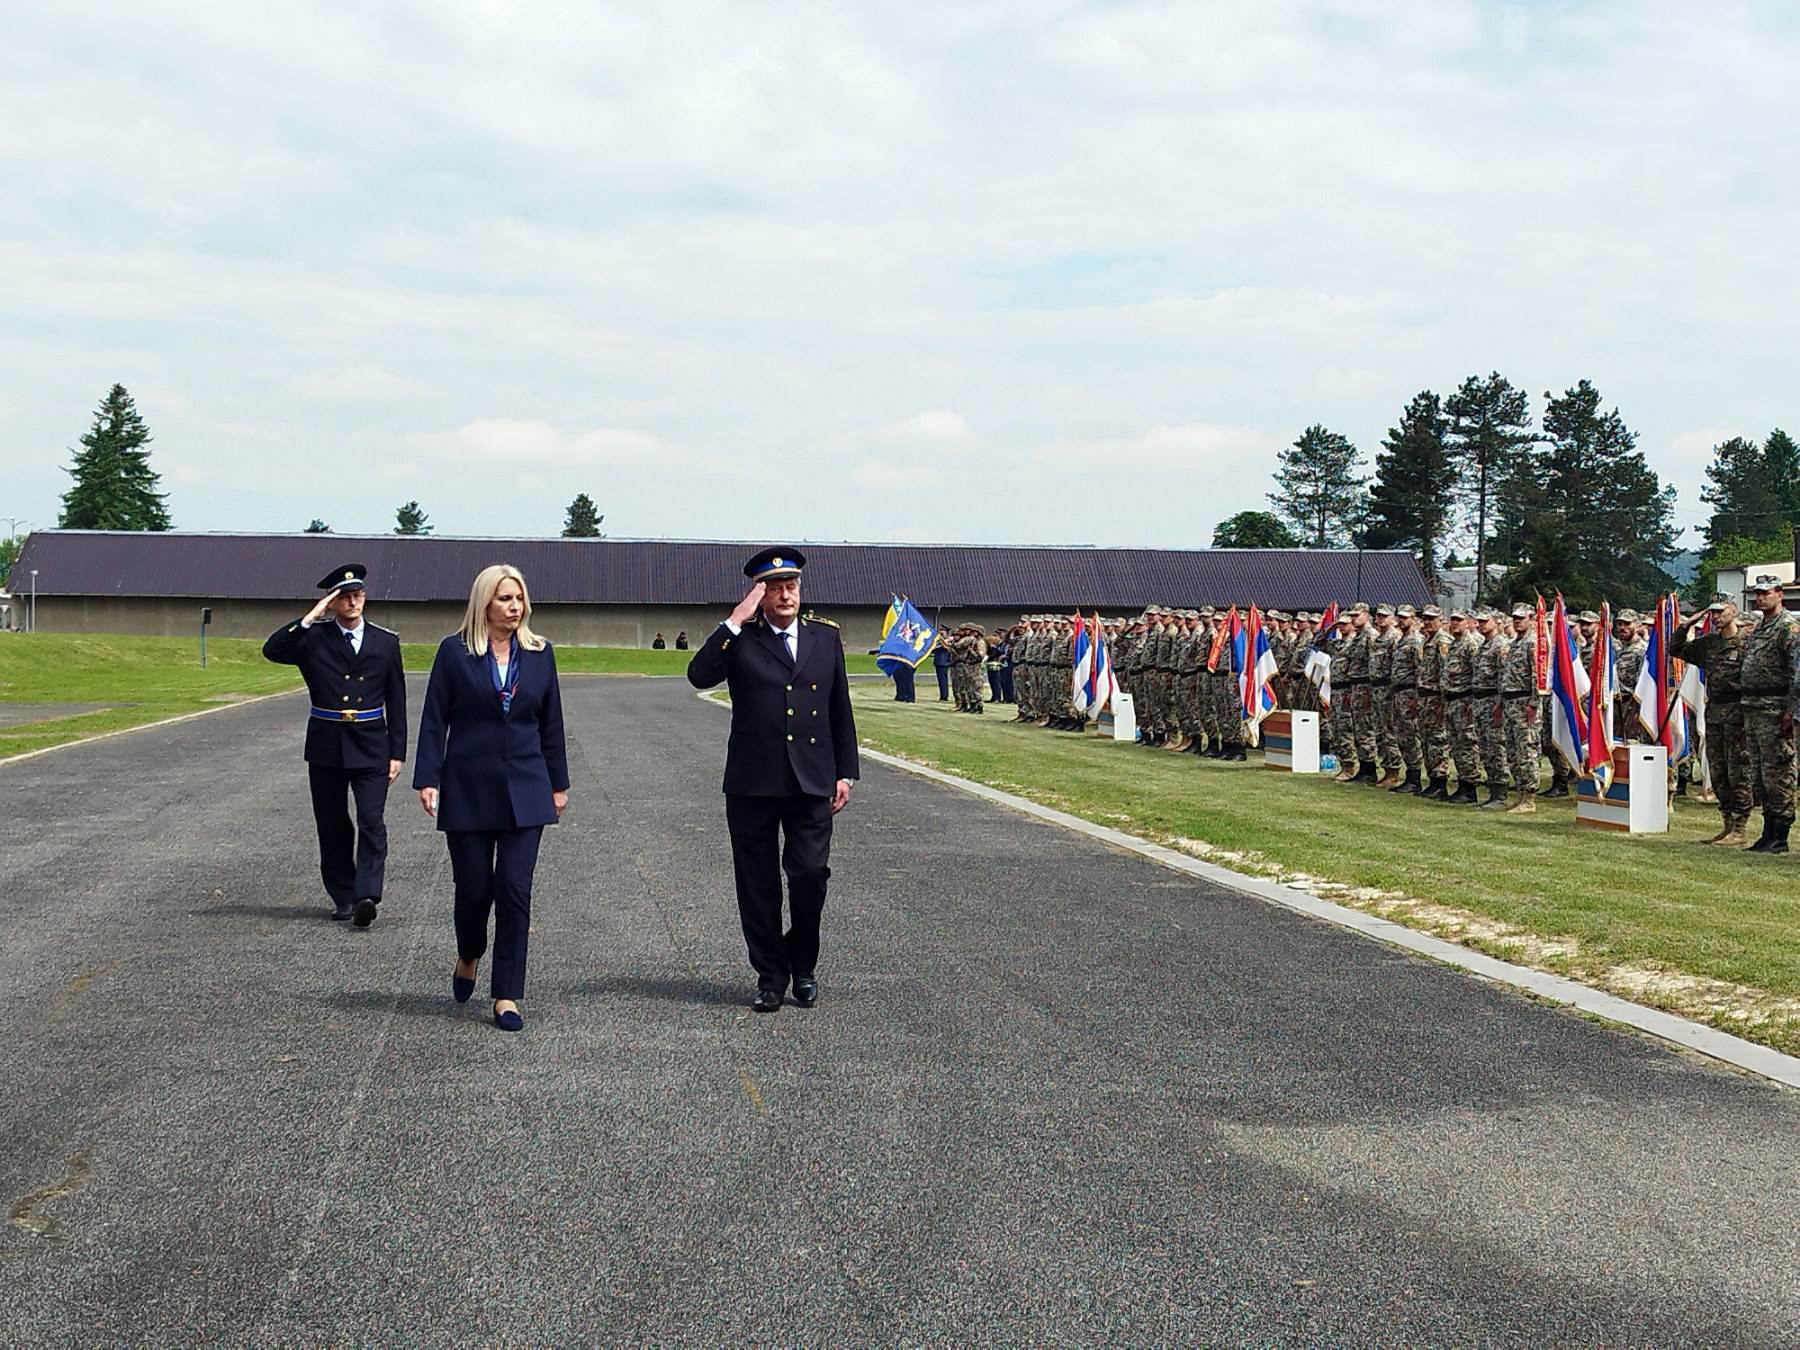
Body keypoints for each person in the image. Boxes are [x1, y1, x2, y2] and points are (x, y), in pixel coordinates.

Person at [686, 547, 859, 1011]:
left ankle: (803, 964)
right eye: (775, 588)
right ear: (759, 595)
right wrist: (734, 620)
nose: (786, 595)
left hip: (812, 779)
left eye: (791, 586)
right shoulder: (740, 638)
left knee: (809, 875)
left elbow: (839, 708)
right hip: (753, 781)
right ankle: (770, 975)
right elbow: (698, 676)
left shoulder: (825, 638)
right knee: (757, 883)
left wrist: (846, 772)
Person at [413, 565, 570, 1032]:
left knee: (515, 891)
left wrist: (558, 783)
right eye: (504, 598)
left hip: (526, 787)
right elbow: (434, 719)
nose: (514, 606)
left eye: (519, 597)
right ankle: (469, 953)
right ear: (484, 603)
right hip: (468, 788)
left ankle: (506, 993)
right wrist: (428, 778)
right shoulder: (454, 653)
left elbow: (552, 724)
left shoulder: (540, 654)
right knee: (475, 889)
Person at [262, 563, 407, 927]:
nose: (353, 602)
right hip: (327, 744)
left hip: (372, 743)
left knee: (371, 820)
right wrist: (310, 617)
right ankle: (343, 896)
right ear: (332, 601)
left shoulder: (385, 642)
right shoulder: (312, 639)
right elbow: (272, 649)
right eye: (344, 597)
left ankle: (367, 894)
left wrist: (398, 752)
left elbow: (397, 700)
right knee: (333, 823)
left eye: (358, 595)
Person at [1673, 599, 1750, 844]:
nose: (1716, 617)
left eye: (1721, 611)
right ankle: (1727, 823)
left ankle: (1740, 827)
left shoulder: (1747, 644)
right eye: (1713, 612)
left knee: (1738, 770)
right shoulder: (1709, 644)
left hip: (1738, 712)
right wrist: (1686, 625)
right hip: (1714, 711)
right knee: (1718, 770)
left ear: (1734, 611)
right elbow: (1675, 650)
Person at [1737, 576, 1798, 853]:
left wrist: (1791, 711)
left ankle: (1781, 835)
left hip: (1776, 709)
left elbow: (1796, 672)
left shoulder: (1788, 627)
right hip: (1753, 708)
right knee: (1760, 774)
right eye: (1756, 594)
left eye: (1765, 593)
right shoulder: (1760, 627)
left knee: (1779, 773)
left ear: (1779, 594)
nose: (1760, 598)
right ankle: (1767, 831)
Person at [932, 636, 954, 701]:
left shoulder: (949, 640)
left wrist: (944, 642)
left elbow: (948, 648)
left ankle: (944, 696)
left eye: (943, 631)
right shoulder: (938, 642)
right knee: (941, 681)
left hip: (943, 662)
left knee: (943, 680)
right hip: (938, 662)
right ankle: (943, 695)